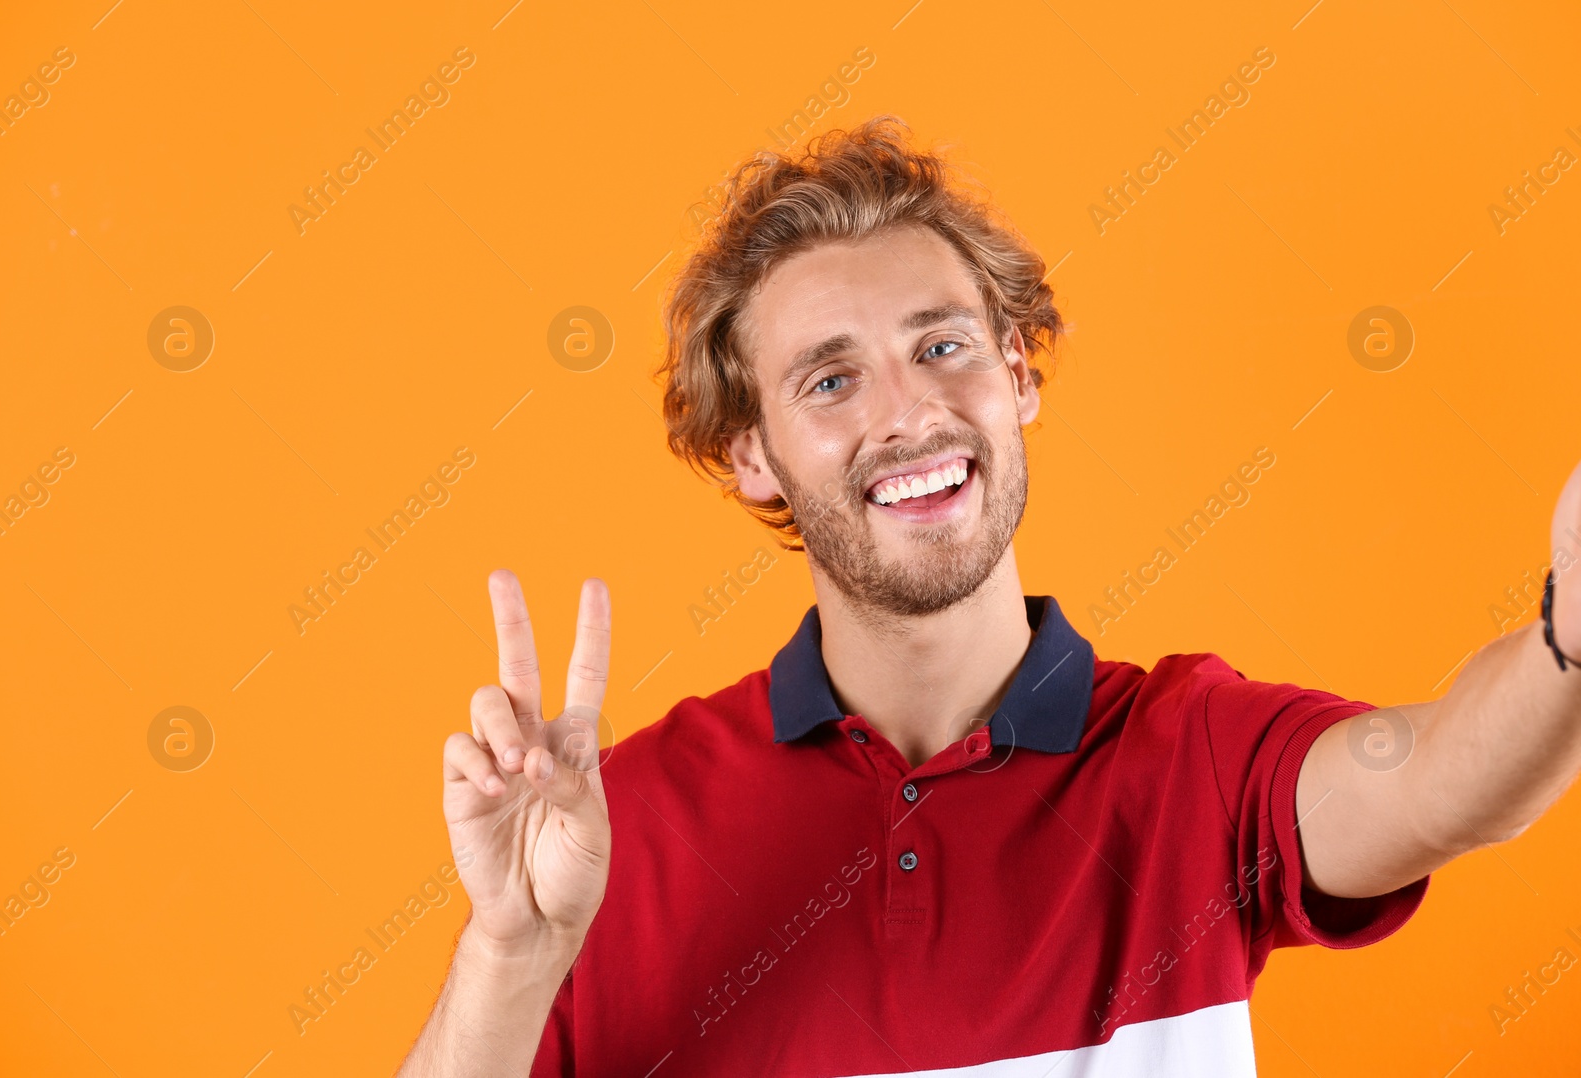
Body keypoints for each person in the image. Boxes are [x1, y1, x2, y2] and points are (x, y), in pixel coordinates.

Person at [398, 117, 1581, 1076]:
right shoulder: (623, 824)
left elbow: (1436, 784)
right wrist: (513, 949)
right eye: (829, 378)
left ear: (1017, 378)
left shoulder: (1190, 756)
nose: (907, 410)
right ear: (751, 454)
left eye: (944, 346)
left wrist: (1570, 636)